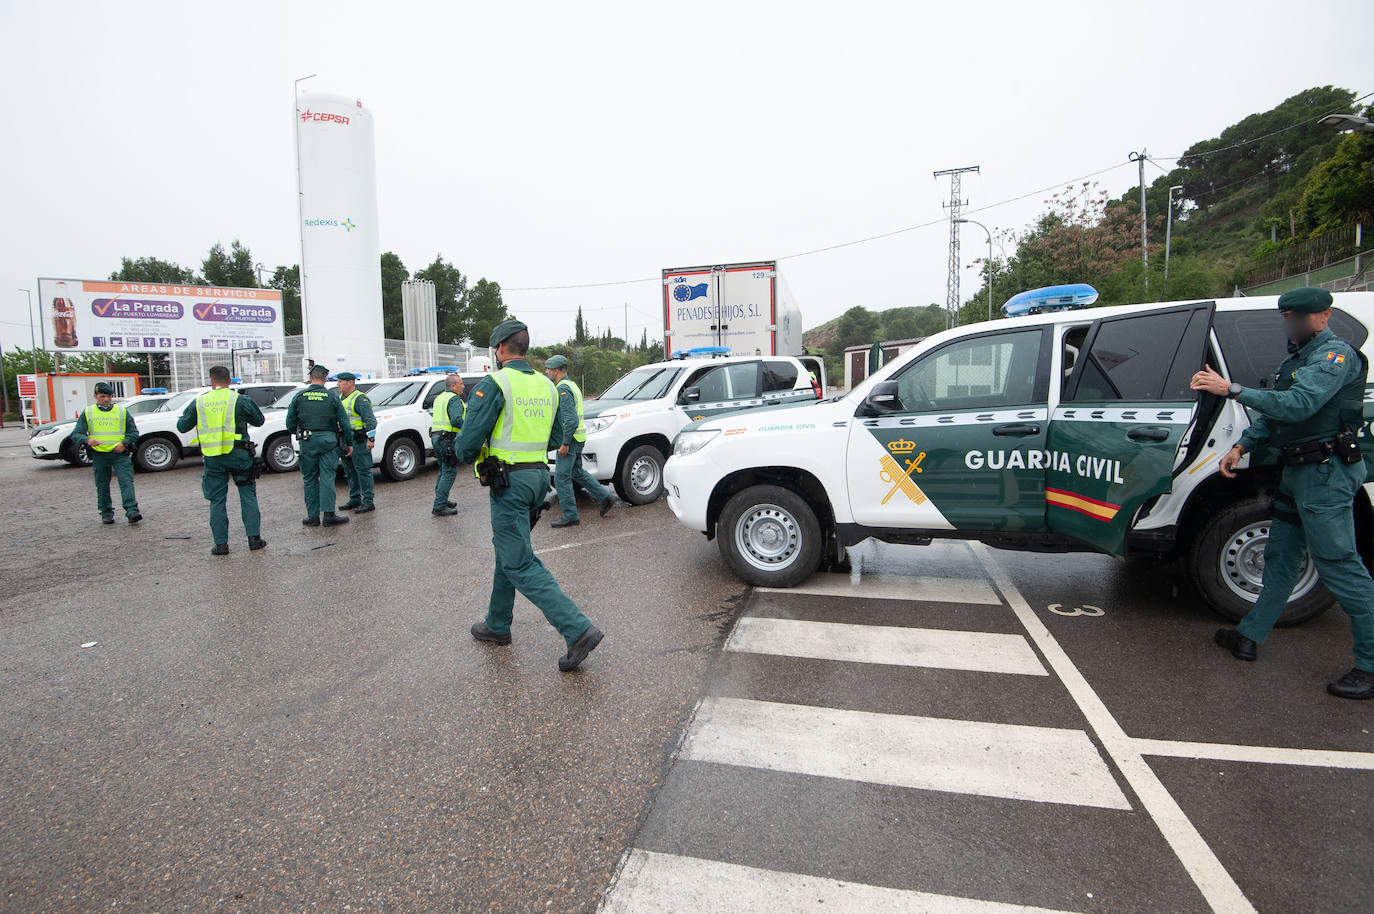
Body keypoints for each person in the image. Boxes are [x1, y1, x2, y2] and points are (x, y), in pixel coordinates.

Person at [1191, 286, 1374, 700]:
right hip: (1298, 472)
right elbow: (1276, 416)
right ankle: (1249, 636)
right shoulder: (1299, 359)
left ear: (1323, 316)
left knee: (1338, 565)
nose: (1289, 324)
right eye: (1286, 316)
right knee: (1281, 557)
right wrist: (1242, 446)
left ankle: (1370, 666)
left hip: (1326, 475)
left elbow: (1298, 405)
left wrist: (1232, 389)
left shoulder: (1335, 356)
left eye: (1297, 317)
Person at [456, 320, 604, 671]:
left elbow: (466, 446)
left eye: (494, 349)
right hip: (538, 477)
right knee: (509, 550)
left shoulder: (496, 383)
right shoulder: (547, 385)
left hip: (510, 482)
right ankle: (497, 624)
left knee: (520, 562)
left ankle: (578, 630)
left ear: (501, 349)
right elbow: (555, 438)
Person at [176, 365, 266, 555]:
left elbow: (182, 426)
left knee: (217, 500)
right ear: (230, 380)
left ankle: (221, 545)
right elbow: (259, 421)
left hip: (213, 457)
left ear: (211, 381)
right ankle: (254, 540)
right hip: (239, 455)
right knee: (247, 496)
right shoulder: (240, 400)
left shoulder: (199, 402)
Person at [543, 354, 614, 527]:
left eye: (549, 370)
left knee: (561, 478)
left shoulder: (562, 389)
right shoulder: (572, 385)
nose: (546, 372)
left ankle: (570, 516)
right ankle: (606, 497)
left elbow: (571, 419)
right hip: (579, 437)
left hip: (571, 439)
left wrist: (565, 443)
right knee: (577, 472)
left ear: (558, 370)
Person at [285, 364, 353, 528]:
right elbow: (344, 422)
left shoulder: (300, 396)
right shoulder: (332, 396)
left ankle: (313, 517)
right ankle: (329, 515)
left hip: (308, 441)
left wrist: (299, 432)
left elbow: (289, 422)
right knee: (327, 478)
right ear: (325, 379)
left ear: (310, 378)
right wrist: (348, 443)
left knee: (309, 479)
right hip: (329, 441)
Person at [69, 382, 142, 525]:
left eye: (109, 396)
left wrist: (124, 443)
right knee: (102, 484)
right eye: (103, 396)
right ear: (95, 396)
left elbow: (134, 433)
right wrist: (87, 440)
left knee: (126, 482)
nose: (106, 399)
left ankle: (132, 511)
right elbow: (76, 434)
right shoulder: (89, 412)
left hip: (120, 453)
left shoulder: (121, 411)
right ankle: (106, 513)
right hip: (99, 455)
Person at [335, 372, 377, 514]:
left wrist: (371, 439)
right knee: (350, 471)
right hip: (345, 439)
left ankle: (368, 501)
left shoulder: (360, 399)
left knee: (363, 471)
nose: (338, 384)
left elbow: (370, 420)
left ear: (350, 382)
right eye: (338, 381)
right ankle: (355, 499)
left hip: (358, 439)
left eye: (341, 382)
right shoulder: (340, 398)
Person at [431, 373, 466, 517]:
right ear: (452, 386)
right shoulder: (454, 399)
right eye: (460, 384)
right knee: (449, 471)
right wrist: (469, 430)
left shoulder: (440, 397)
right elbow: (457, 420)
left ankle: (442, 500)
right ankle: (439, 506)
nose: (463, 386)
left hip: (437, 437)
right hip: (448, 440)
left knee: (443, 470)